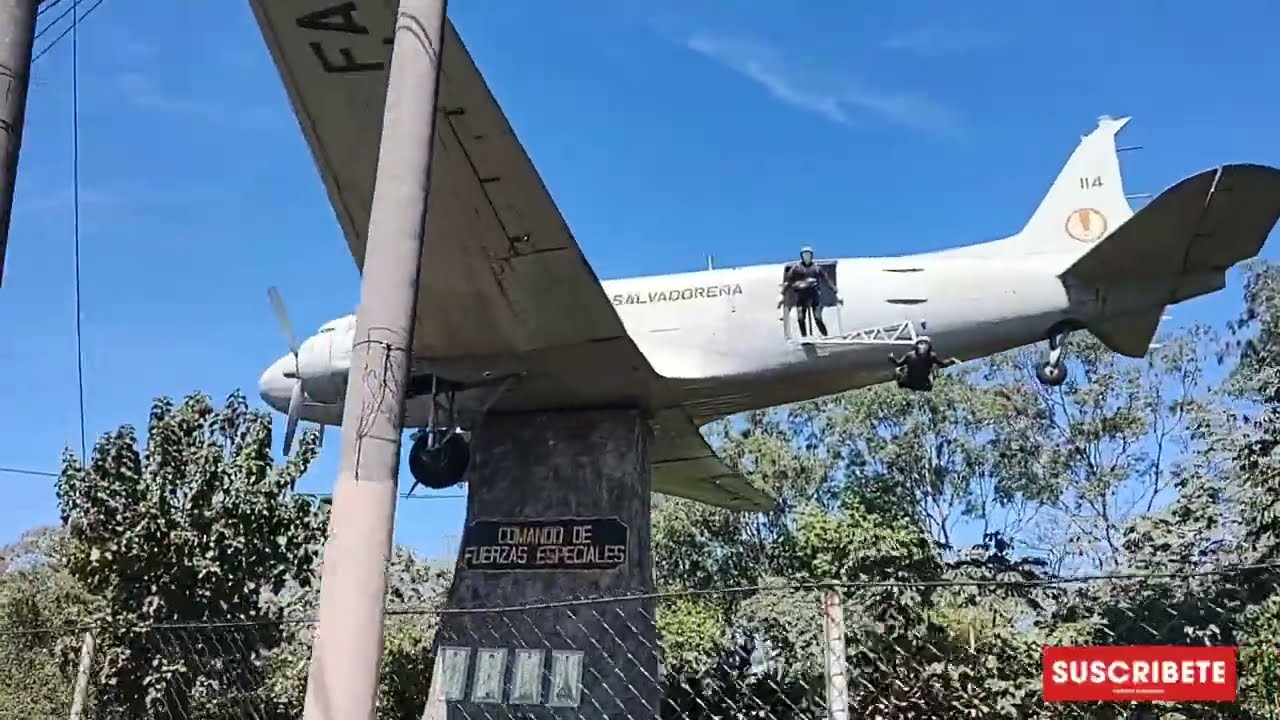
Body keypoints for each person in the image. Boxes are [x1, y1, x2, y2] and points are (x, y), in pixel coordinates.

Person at [785, 246, 830, 338]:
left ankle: (825, 335)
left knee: (817, 318)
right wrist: (782, 294)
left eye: (808, 255)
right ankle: (804, 336)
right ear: (802, 256)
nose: (806, 257)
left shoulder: (817, 268)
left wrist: (835, 292)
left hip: (814, 295)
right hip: (801, 296)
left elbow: (826, 280)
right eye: (805, 255)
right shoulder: (796, 268)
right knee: (800, 318)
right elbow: (788, 281)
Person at [888, 336, 958, 392]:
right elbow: (898, 363)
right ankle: (901, 378)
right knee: (901, 372)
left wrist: (951, 361)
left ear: (928, 347)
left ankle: (906, 381)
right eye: (921, 344)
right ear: (917, 346)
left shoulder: (931, 356)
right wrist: (892, 358)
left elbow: (941, 364)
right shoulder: (910, 355)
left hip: (921, 382)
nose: (923, 347)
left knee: (928, 387)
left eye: (925, 345)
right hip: (908, 380)